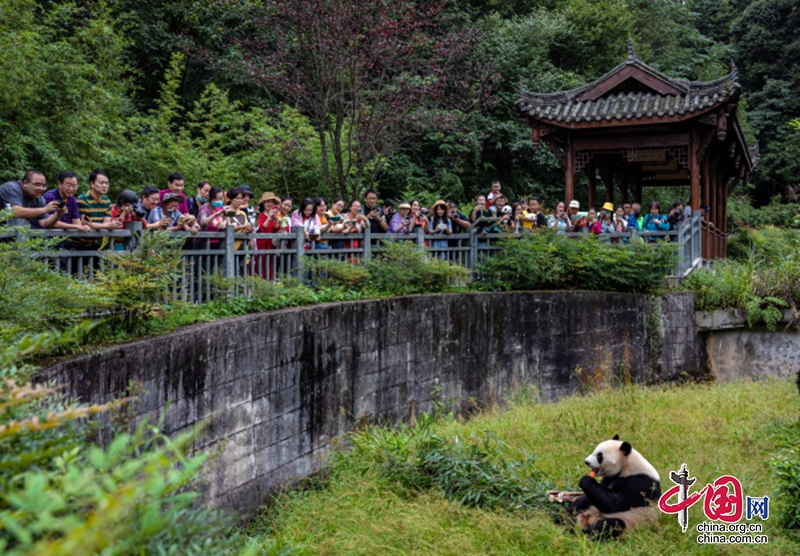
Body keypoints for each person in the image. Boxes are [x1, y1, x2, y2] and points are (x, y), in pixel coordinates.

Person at [66, 170, 122, 252]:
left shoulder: (107, 201)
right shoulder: (83, 199)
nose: (104, 185)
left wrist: (104, 225)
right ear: (92, 184)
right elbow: (85, 224)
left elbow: (105, 224)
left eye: (106, 183)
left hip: (91, 244)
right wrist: (109, 225)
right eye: (101, 182)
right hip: (75, 244)